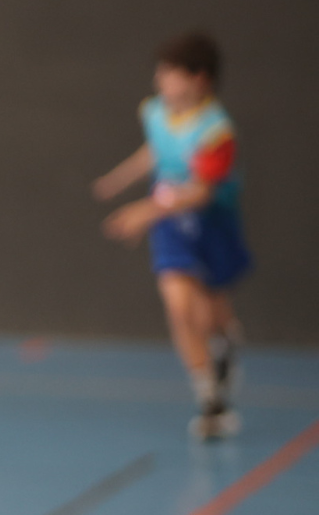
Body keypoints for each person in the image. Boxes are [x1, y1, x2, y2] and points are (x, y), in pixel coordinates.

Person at [94, 31, 250, 441]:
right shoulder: (155, 112)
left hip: (210, 222)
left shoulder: (217, 132)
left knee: (211, 314)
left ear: (199, 79)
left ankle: (225, 344)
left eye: (169, 73)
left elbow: (200, 192)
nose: (159, 81)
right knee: (180, 307)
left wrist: (145, 211)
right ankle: (210, 400)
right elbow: (154, 151)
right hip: (170, 222)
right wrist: (118, 179)